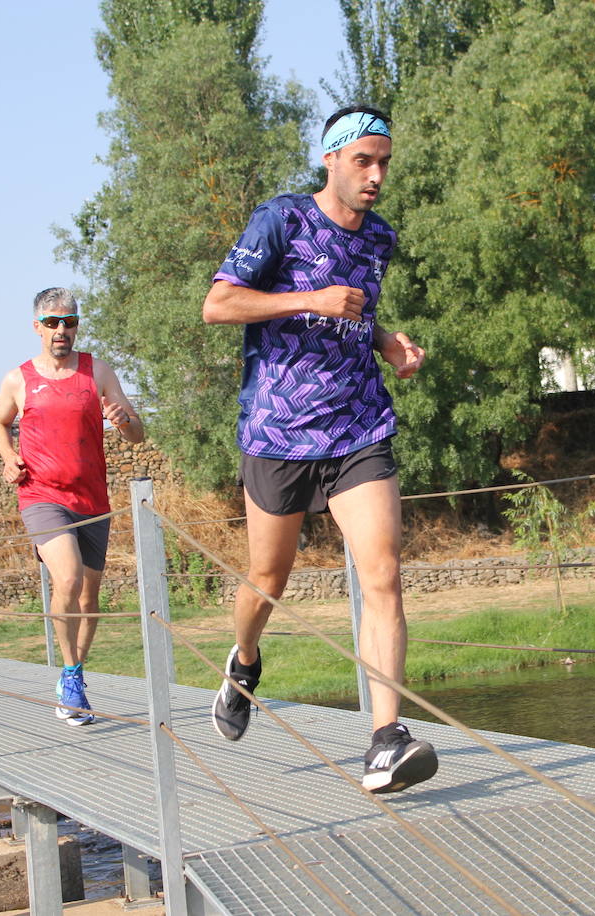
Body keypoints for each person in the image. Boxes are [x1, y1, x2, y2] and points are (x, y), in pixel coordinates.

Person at [203, 106, 437, 793]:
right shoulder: (280, 220)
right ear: (330, 159)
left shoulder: (380, 238)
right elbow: (218, 304)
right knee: (266, 580)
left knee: (383, 575)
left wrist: (386, 339)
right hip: (277, 430)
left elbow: (353, 314)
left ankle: (385, 738)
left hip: (359, 427)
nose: (376, 175)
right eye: (363, 160)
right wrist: (308, 299)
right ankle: (244, 660)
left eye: (384, 162)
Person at [0, 287, 144, 725]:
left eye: (70, 322)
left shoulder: (98, 372)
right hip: (41, 495)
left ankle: (72, 671)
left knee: (90, 599)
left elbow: (137, 434)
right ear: (37, 327)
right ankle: (72, 679)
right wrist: (9, 458)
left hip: (92, 498)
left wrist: (123, 420)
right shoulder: (18, 379)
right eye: (53, 322)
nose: (62, 330)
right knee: (69, 577)